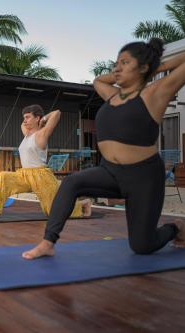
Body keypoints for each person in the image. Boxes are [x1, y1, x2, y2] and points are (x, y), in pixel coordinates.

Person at [23, 38, 185, 260]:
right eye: (116, 62)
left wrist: (156, 67)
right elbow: (98, 79)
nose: (117, 68)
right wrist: (128, 70)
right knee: (71, 183)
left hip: (144, 177)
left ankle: (176, 227)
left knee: (142, 246)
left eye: (125, 62)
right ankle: (48, 242)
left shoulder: (155, 93)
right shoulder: (111, 94)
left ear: (144, 67)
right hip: (109, 171)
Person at [0, 104, 91, 218]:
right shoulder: (26, 134)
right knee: (3, 176)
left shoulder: (42, 134)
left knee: (53, 212)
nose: (24, 120)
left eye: (28, 117)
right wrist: (29, 118)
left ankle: (83, 204)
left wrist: (43, 120)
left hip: (41, 176)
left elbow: (57, 113)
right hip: (24, 175)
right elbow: (22, 124)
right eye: (24, 117)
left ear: (37, 118)